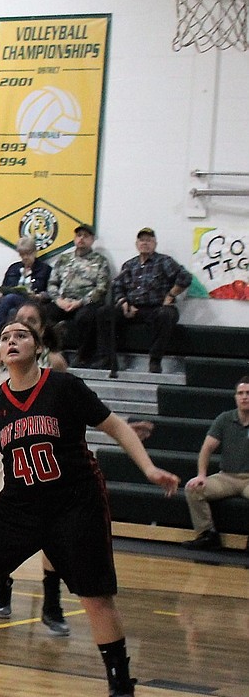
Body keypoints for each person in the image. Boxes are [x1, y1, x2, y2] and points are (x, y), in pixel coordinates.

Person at [0, 318, 179, 697]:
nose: (11, 341)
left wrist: (148, 469)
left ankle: (120, 684)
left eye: (20, 335)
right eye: (5, 337)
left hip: (74, 503)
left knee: (95, 597)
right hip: (20, 503)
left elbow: (115, 427)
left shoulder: (64, 387)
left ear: (38, 348)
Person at [0, 300, 70, 635]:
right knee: (3, 519)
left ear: (40, 333)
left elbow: (67, 410)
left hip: (43, 454)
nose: (22, 327)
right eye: (17, 322)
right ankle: (1, 585)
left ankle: (52, 600)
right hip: (1, 453)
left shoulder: (56, 364)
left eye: (31, 322)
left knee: (51, 526)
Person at [94, 227, 191, 374]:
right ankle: (107, 359)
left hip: (156, 308)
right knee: (104, 312)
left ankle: (155, 361)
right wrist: (124, 303)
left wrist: (171, 295)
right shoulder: (129, 265)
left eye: (148, 240)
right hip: (132, 308)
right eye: (142, 240)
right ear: (136, 244)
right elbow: (118, 286)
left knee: (167, 314)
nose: (145, 243)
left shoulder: (164, 261)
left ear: (155, 243)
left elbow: (185, 277)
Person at [182, 376, 249, 552]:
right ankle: (207, 535)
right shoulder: (225, 419)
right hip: (226, 476)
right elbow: (206, 449)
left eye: (248, 393)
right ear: (235, 397)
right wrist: (202, 475)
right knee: (193, 488)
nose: (244, 397)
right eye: (240, 393)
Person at [44, 224, 110, 367]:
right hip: (63, 301)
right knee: (45, 313)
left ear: (92, 240)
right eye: (79, 235)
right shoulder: (64, 259)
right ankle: (52, 353)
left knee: (85, 317)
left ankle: (83, 357)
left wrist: (81, 302)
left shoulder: (100, 261)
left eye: (85, 236)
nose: (81, 239)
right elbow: (52, 283)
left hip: (86, 303)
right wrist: (58, 300)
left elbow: (102, 288)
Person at [0, 236, 51, 346]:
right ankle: (7, 341)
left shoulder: (45, 269)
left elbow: (49, 292)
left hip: (33, 303)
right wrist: (1, 294)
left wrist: (38, 296)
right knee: (12, 311)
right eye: (22, 254)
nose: (25, 257)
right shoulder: (13, 268)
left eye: (28, 254)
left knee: (10, 298)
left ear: (35, 252)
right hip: (13, 303)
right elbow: (3, 287)